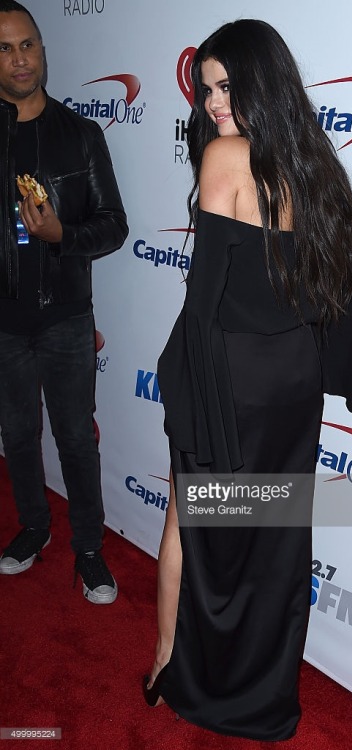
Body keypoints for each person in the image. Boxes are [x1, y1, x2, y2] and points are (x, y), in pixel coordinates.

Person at [144, 19, 352, 740]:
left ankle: (168, 664)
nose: (213, 102)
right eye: (207, 88)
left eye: (226, 85)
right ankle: (265, 694)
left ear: (259, 81)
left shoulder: (226, 158)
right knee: (274, 542)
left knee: (191, 517)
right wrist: (347, 381)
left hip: (231, 380)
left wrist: (188, 395)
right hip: (293, 385)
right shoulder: (317, 164)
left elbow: (203, 297)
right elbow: (349, 284)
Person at [0, 2, 128, 605]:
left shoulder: (81, 134)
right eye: (4, 48)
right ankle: (32, 526)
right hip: (3, 325)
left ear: (43, 49)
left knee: (76, 438)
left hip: (67, 320)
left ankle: (90, 549)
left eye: (27, 45)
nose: (19, 59)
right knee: (19, 435)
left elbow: (114, 226)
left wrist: (60, 237)